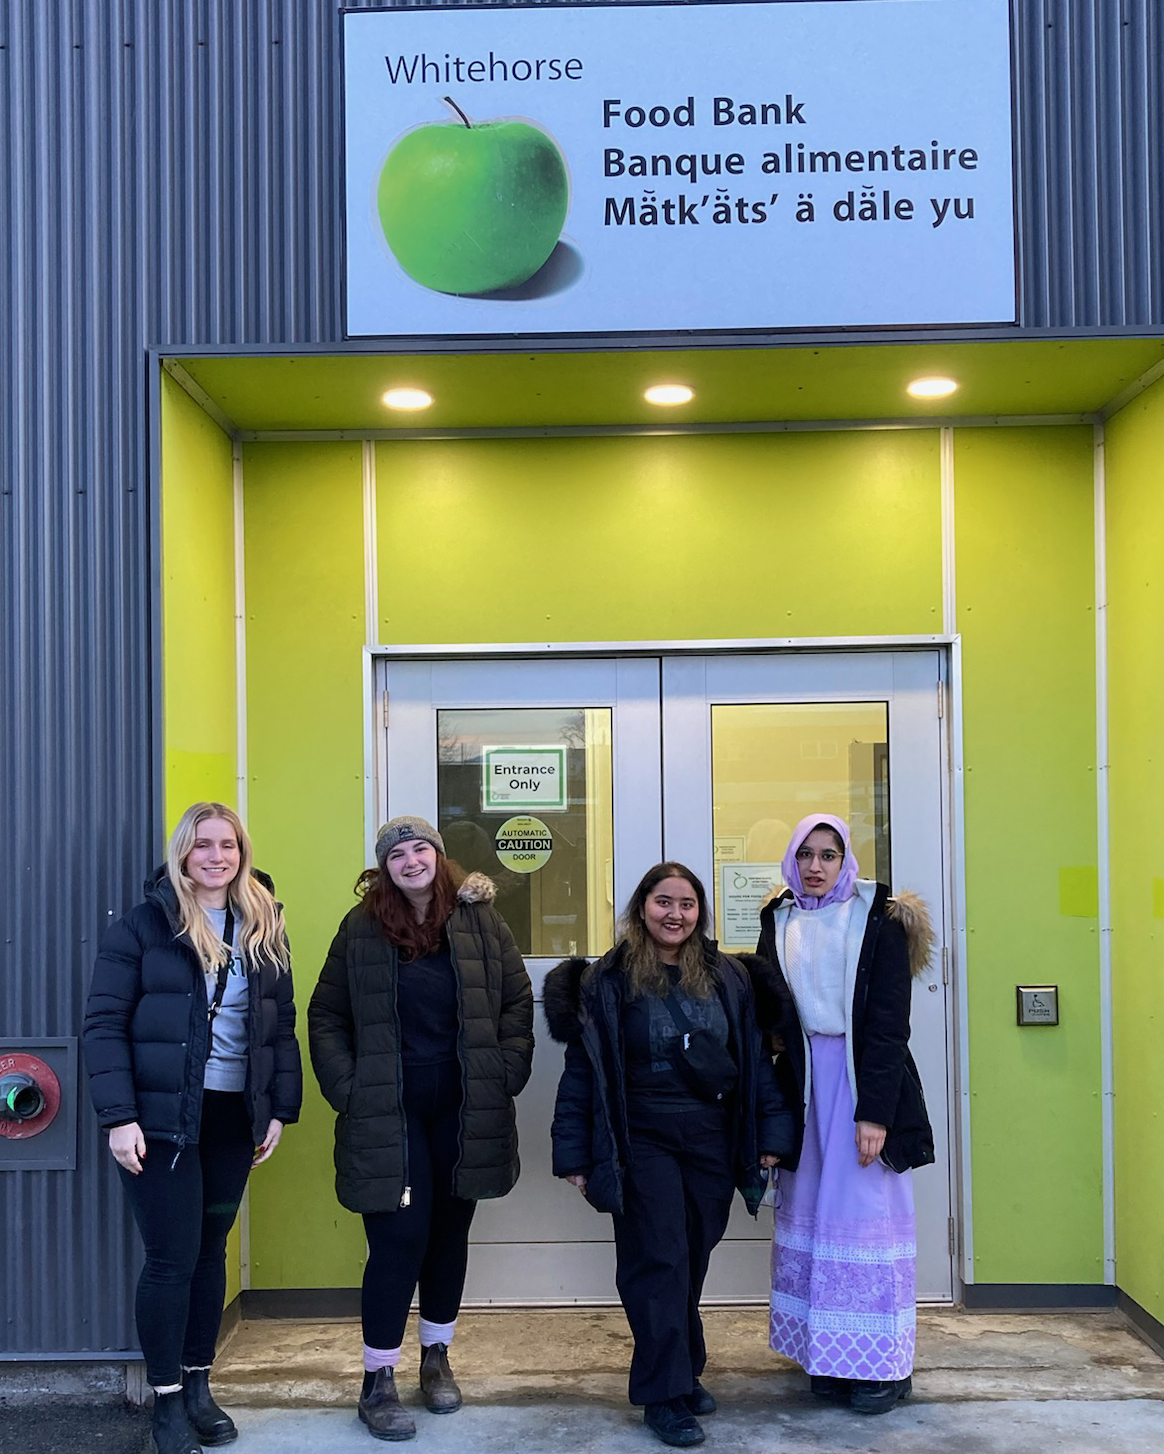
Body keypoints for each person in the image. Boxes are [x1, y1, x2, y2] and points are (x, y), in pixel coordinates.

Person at [545, 862, 793, 1449]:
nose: (674, 914)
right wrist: (575, 1155)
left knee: (692, 1253)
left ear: (699, 912)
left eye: (686, 903)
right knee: (657, 1258)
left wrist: (771, 1139)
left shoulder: (733, 978)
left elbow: (755, 1064)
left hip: (712, 1136)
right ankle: (663, 1392)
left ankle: (685, 1366)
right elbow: (585, 1072)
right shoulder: (606, 980)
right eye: (663, 901)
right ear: (641, 908)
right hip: (641, 1138)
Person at [83, 802, 302, 1454]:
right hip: (161, 1124)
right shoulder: (147, 926)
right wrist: (118, 1118)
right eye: (203, 844)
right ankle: (167, 1399)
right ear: (183, 853)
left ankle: (201, 1383)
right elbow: (103, 1026)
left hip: (233, 1118)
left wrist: (278, 1111)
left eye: (228, 844)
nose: (216, 855)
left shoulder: (264, 921)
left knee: (211, 1255)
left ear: (242, 850)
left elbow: (277, 1027)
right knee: (171, 1259)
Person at [308, 816, 534, 1442]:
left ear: (439, 855)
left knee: (448, 1232)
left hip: (464, 1108)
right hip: (389, 1108)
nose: (411, 861)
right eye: (397, 853)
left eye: (421, 849)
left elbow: (517, 1002)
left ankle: (436, 1358)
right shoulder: (361, 928)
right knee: (398, 1238)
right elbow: (326, 1013)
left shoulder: (479, 920)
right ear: (384, 866)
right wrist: (349, 1090)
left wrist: (505, 1070)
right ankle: (377, 1379)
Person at [756, 814, 935, 1416]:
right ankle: (826, 1357)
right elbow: (769, 1008)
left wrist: (875, 1114)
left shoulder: (875, 918)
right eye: (805, 854)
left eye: (828, 854)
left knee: (866, 1223)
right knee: (810, 1218)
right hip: (806, 1086)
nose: (815, 866)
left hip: (860, 1086)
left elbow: (888, 1023)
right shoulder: (778, 918)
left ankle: (882, 1366)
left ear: (845, 860)